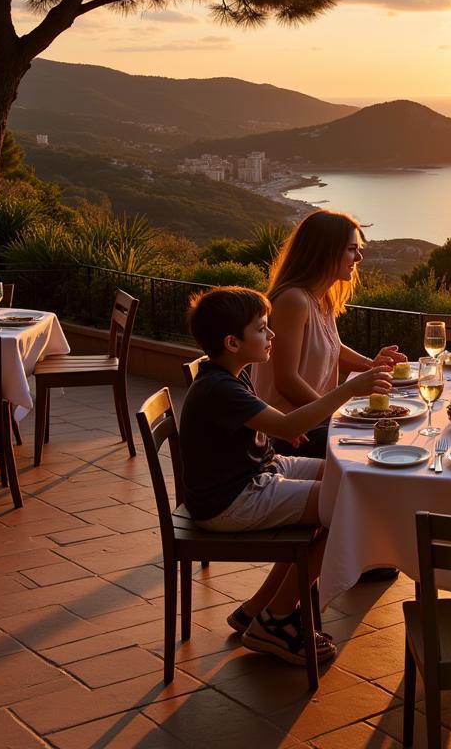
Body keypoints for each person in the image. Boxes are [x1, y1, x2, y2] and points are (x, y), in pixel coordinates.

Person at [179, 285, 392, 666]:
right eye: (262, 328)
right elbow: (289, 421)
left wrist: (285, 426)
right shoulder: (220, 388)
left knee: (348, 477)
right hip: (231, 498)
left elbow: (277, 424)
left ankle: (256, 609)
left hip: (254, 471)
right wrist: (350, 388)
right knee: (348, 504)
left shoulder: (229, 373)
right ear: (232, 341)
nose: (271, 334)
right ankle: (276, 619)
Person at [250, 210, 407, 459]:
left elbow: (333, 348)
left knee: (392, 433)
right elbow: (286, 381)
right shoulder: (293, 300)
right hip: (288, 434)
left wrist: (371, 365)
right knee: (381, 449)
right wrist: (336, 415)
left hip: (315, 423)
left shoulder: (322, 299)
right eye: (352, 249)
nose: (359, 257)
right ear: (325, 251)